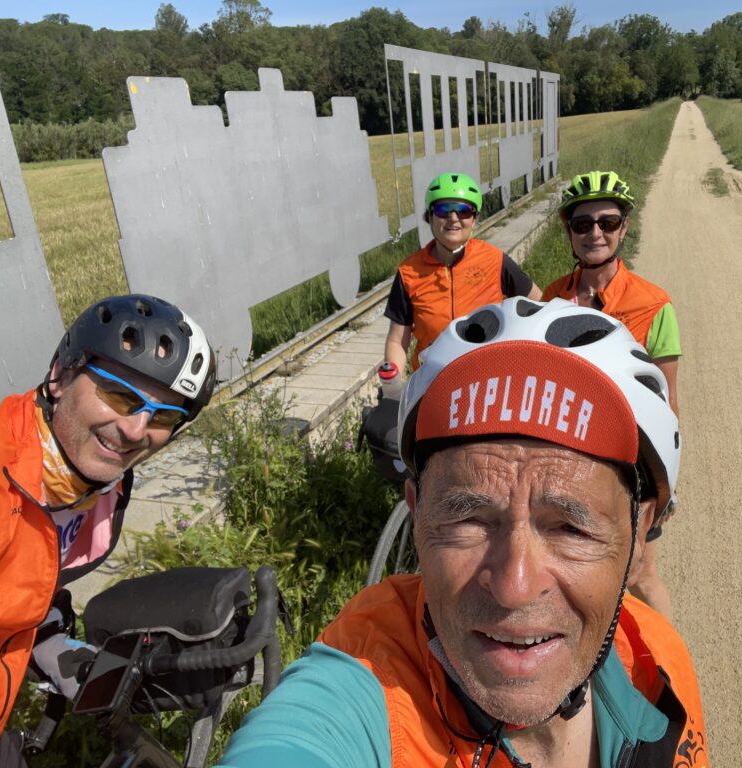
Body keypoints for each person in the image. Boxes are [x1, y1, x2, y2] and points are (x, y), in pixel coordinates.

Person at [219, 297, 707, 768]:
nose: (515, 587)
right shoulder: (364, 685)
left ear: (639, 531)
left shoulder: (660, 665)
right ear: (417, 514)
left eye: (569, 528)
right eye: (468, 519)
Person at [0, 294, 217, 768]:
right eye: (119, 395)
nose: (136, 430)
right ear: (60, 376)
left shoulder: (94, 489)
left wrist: (54, 643)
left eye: (163, 417)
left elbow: (22, 576)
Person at [543, 170, 682, 619]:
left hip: (630, 456)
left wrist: (666, 485)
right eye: (582, 224)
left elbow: (668, 401)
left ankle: (667, 672)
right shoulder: (552, 299)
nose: (595, 233)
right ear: (569, 232)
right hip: (568, 454)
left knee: (639, 572)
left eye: (607, 221)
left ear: (624, 228)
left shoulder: (654, 304)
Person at [382, 172, 541, 378]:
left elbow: (538, 304)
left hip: (488, 377)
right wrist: (391, 387)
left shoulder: (494, 260)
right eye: (443, 210)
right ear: (429, 216)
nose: (453, 218)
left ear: (474, 219)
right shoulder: (409, 272)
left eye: (464, 211)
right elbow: (397, 340)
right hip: (432, 380)